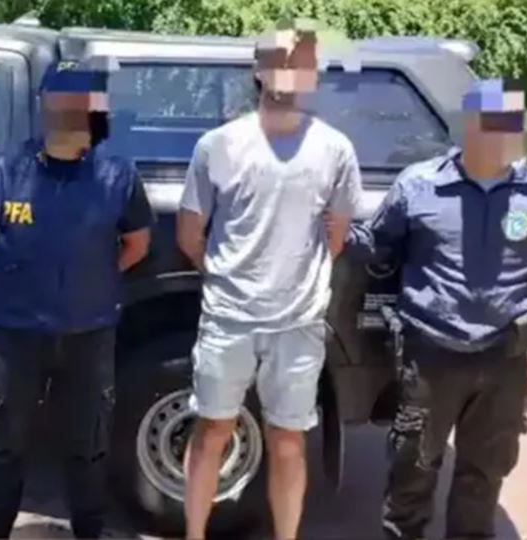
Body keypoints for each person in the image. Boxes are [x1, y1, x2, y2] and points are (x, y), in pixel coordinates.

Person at [337, 78, 527, 540]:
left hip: (505, 358)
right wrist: (333, 228)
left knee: (484, 475)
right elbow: (378, 245)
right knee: (412, 469)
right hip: (431, 355)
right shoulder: (419, 185)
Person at [177, 23, 363, 540]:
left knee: (288, 441)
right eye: (281, 61)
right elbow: (190, 234)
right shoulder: (218, 145)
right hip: (228, 320)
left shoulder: (335, 149)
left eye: (302, 63)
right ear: (258, 70)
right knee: (211, 430)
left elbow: (337, 236)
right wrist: (228, 280)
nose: (291, 71)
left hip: (298, 323)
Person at [0, 58, 155, 539]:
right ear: (43, 104)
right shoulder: (5, 169)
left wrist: (91, 277)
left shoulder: (117, 174)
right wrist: (14, 275)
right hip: (18, 330)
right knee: (6, 440)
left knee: (88, 444)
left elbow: (137, 244)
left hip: (88, 330)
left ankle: (88, 531)